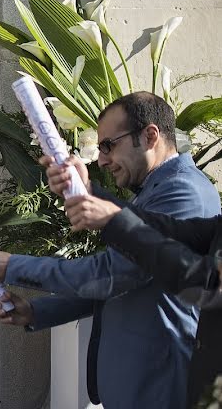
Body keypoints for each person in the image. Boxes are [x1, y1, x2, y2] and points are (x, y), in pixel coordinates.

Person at [0, 92, 220, 409]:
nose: (101, 159)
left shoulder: (182, 190)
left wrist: (13, 266)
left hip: (156, 385)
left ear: (150, 135)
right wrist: (37, 312)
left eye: (108, 145)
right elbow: (126, 276)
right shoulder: (156, 187)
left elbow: (114, 274)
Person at [49, 158, 222, 407]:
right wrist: (90, 192)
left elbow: (197, 277)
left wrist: (115, 221)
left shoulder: (185, 186)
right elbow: (171, 230)